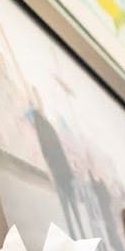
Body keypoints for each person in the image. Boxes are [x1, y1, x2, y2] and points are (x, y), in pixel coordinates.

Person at [26, 88, 84, 237]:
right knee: (70, 203)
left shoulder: (42, 133)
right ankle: (78, 231)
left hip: (59, 171)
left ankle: (73, 232)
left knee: (66, 204)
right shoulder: (47, 129)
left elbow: (47, 157)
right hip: (63, 171)